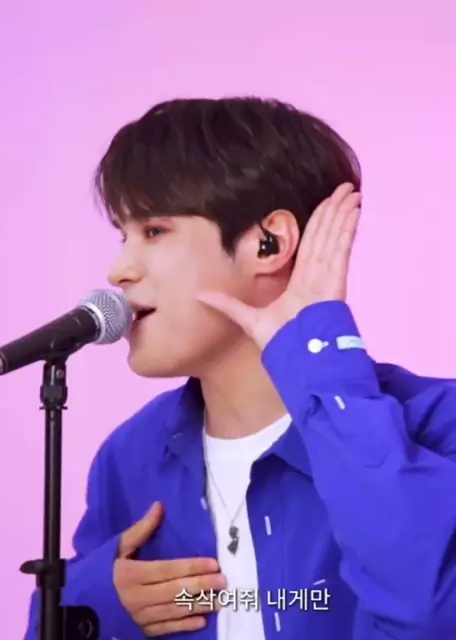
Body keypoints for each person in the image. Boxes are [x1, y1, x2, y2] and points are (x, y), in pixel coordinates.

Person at [24, 97, 456, 640]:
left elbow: (430, 613)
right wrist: (96, 606)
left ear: (267, 244)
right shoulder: (129, 456)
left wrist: (322, 353)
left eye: (153, 231)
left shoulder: (435, 422)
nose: (119, 270)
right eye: (122, 234)